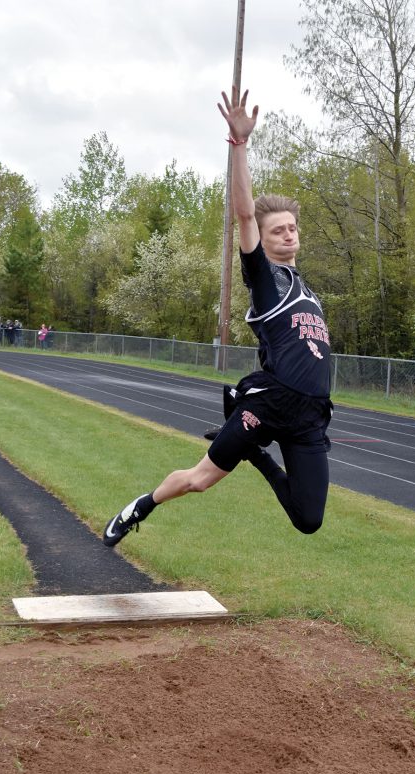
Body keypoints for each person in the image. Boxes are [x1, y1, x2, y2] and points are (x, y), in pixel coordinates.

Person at [103, 86, 332, 548]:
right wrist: (240, 144)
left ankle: (256, 455)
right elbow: (244, 215)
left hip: (310, 413)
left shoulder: (307, 291)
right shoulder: (266, 281)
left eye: (293, 228)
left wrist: (261, 453)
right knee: (200, 480)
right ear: (264, 239)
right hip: (269, 404)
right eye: (278, 230)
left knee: (309, 519)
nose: (289, 235)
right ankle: (139, 507)